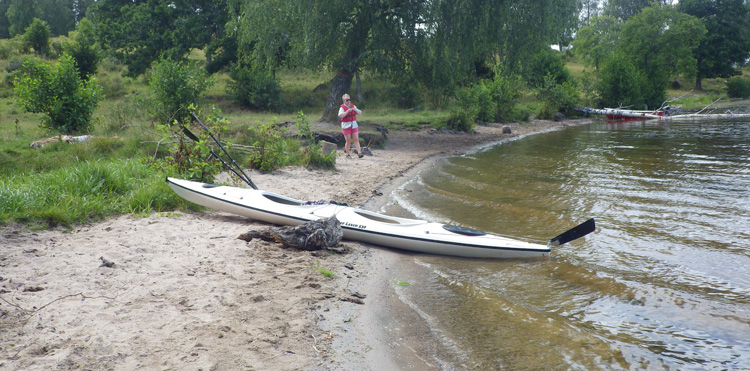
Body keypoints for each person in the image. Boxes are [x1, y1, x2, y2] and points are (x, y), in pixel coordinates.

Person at [338, 94, 363, 158]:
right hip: (346, 126)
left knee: (356, 139)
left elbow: (360, 113)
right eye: (347, 100)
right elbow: (341, 115)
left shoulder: (353, 106)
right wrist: (347, 111)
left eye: (349, 99)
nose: (348, 101)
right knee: (348, 140)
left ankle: (359, 152)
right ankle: (347, 154)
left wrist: (355, 110)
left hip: (354, 125)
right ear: (344, 101)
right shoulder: (342, 108)